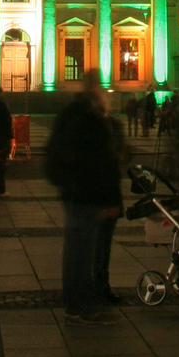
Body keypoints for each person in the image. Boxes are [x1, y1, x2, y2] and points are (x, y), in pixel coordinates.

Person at [45, 81, 124, 325]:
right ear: (96, 95)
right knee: (85, 253)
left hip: (73, 192)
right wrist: (110, 198)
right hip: (88, 195)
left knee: (75, 252)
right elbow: (102, 163)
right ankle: (84, 305)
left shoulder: (69, 115)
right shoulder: (91, 121)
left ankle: (75, 303)